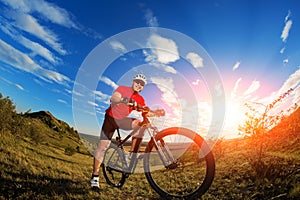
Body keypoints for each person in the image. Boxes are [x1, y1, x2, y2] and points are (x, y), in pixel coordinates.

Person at [90, 73, 148, 190]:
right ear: (132, 82)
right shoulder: (122, 89)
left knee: (141, 125)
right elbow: (114, 98)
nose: (139, 84)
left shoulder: (141, 99)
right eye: (137, 81)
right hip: (110, 119)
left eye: (142, 84)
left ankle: (132, 156)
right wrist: (123, 100)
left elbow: (145, 111)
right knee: (103, 146)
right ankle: (95, 177)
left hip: (121, 120)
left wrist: (155, 112)